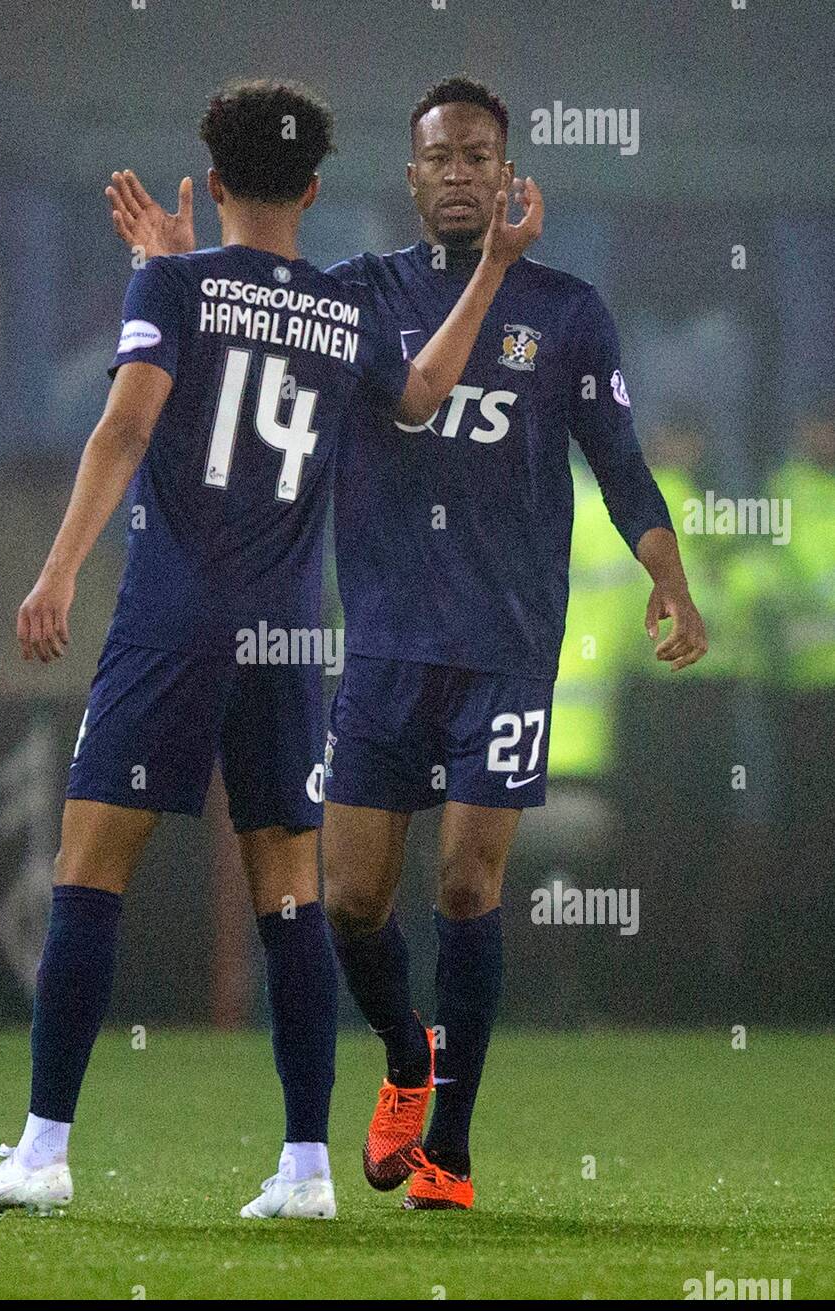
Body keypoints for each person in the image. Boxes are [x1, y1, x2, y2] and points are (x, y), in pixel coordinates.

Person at [0, 78, 542, 1220]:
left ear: (211, 182)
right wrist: (498, 273)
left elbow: (127, 425)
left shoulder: (171, 281)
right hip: (284, 639)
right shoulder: (341, 310)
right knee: (289, 900)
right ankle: (306, 1168)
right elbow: (418, 399)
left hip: (170, 622)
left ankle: (44, 1150)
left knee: (86, 875)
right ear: (313, 189)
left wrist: (59, 569)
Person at [108, 74, 704, 1214]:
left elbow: (620, 460)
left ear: (509, 170)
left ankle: (451, 1151)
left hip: (507, 644)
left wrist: (667, 579)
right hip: (379, 644)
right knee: (350, 904)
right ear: (411, 173)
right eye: (441, 156)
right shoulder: (354, 300)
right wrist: (176, 272)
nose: (461, 172)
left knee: (470, 884)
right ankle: (402, 1053)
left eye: (481, 154)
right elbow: (244, 352)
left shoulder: (568, 311)